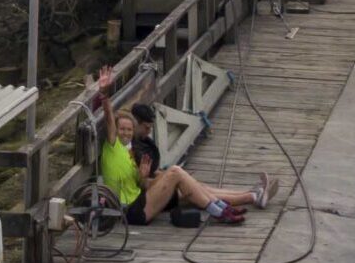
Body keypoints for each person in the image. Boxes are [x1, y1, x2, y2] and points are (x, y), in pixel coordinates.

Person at [92, 69, 277, 226]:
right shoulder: (113, 146)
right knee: (177, 172)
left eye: (129, 130)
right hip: (129, 211)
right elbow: (108, 118)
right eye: (122, 129)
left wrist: (143, 176)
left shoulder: (131, 153)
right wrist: (104, 94)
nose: (125, 133)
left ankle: (226, 207)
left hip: (139, 201)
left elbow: (140, 185)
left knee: (182, 178)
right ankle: (223, 209)